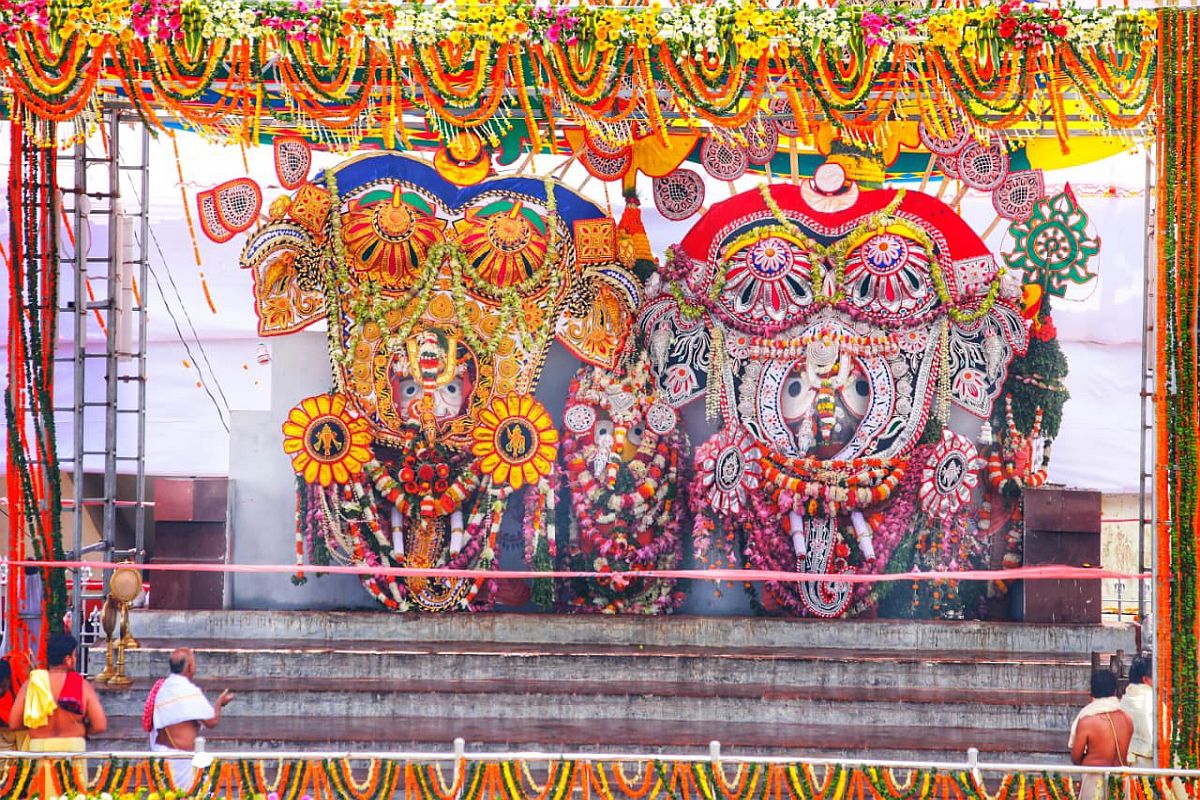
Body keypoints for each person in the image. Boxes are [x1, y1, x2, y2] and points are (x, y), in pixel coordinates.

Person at [143, 647, 234, 790]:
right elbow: (211, 721)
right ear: (190, 667)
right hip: (181, 759)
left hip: (163, 754)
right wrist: (219, 703)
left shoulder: (163, 688)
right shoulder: (189, 691)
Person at [6, 633, 106, 752]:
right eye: (74, 656)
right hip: (72, 751)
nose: (75, 660)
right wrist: (81, 730)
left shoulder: (32, 683)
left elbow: (14, 724)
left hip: (39, 751)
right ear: (68, 659)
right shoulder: (82, 685)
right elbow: (99, 725)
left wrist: (36, 727)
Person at [1069, 670, 1133, 800]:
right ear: (1115, 692)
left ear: (1091, 694)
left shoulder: (1087, 720)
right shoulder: (1126, 718)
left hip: (1094, 780)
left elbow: (1076, 757)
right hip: (1121, 781)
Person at [1120, 656, 1154, 767]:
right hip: (1151, 764)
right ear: (1145, 679)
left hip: (1127, 764)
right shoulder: (1152, 701)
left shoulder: (1124, 700)